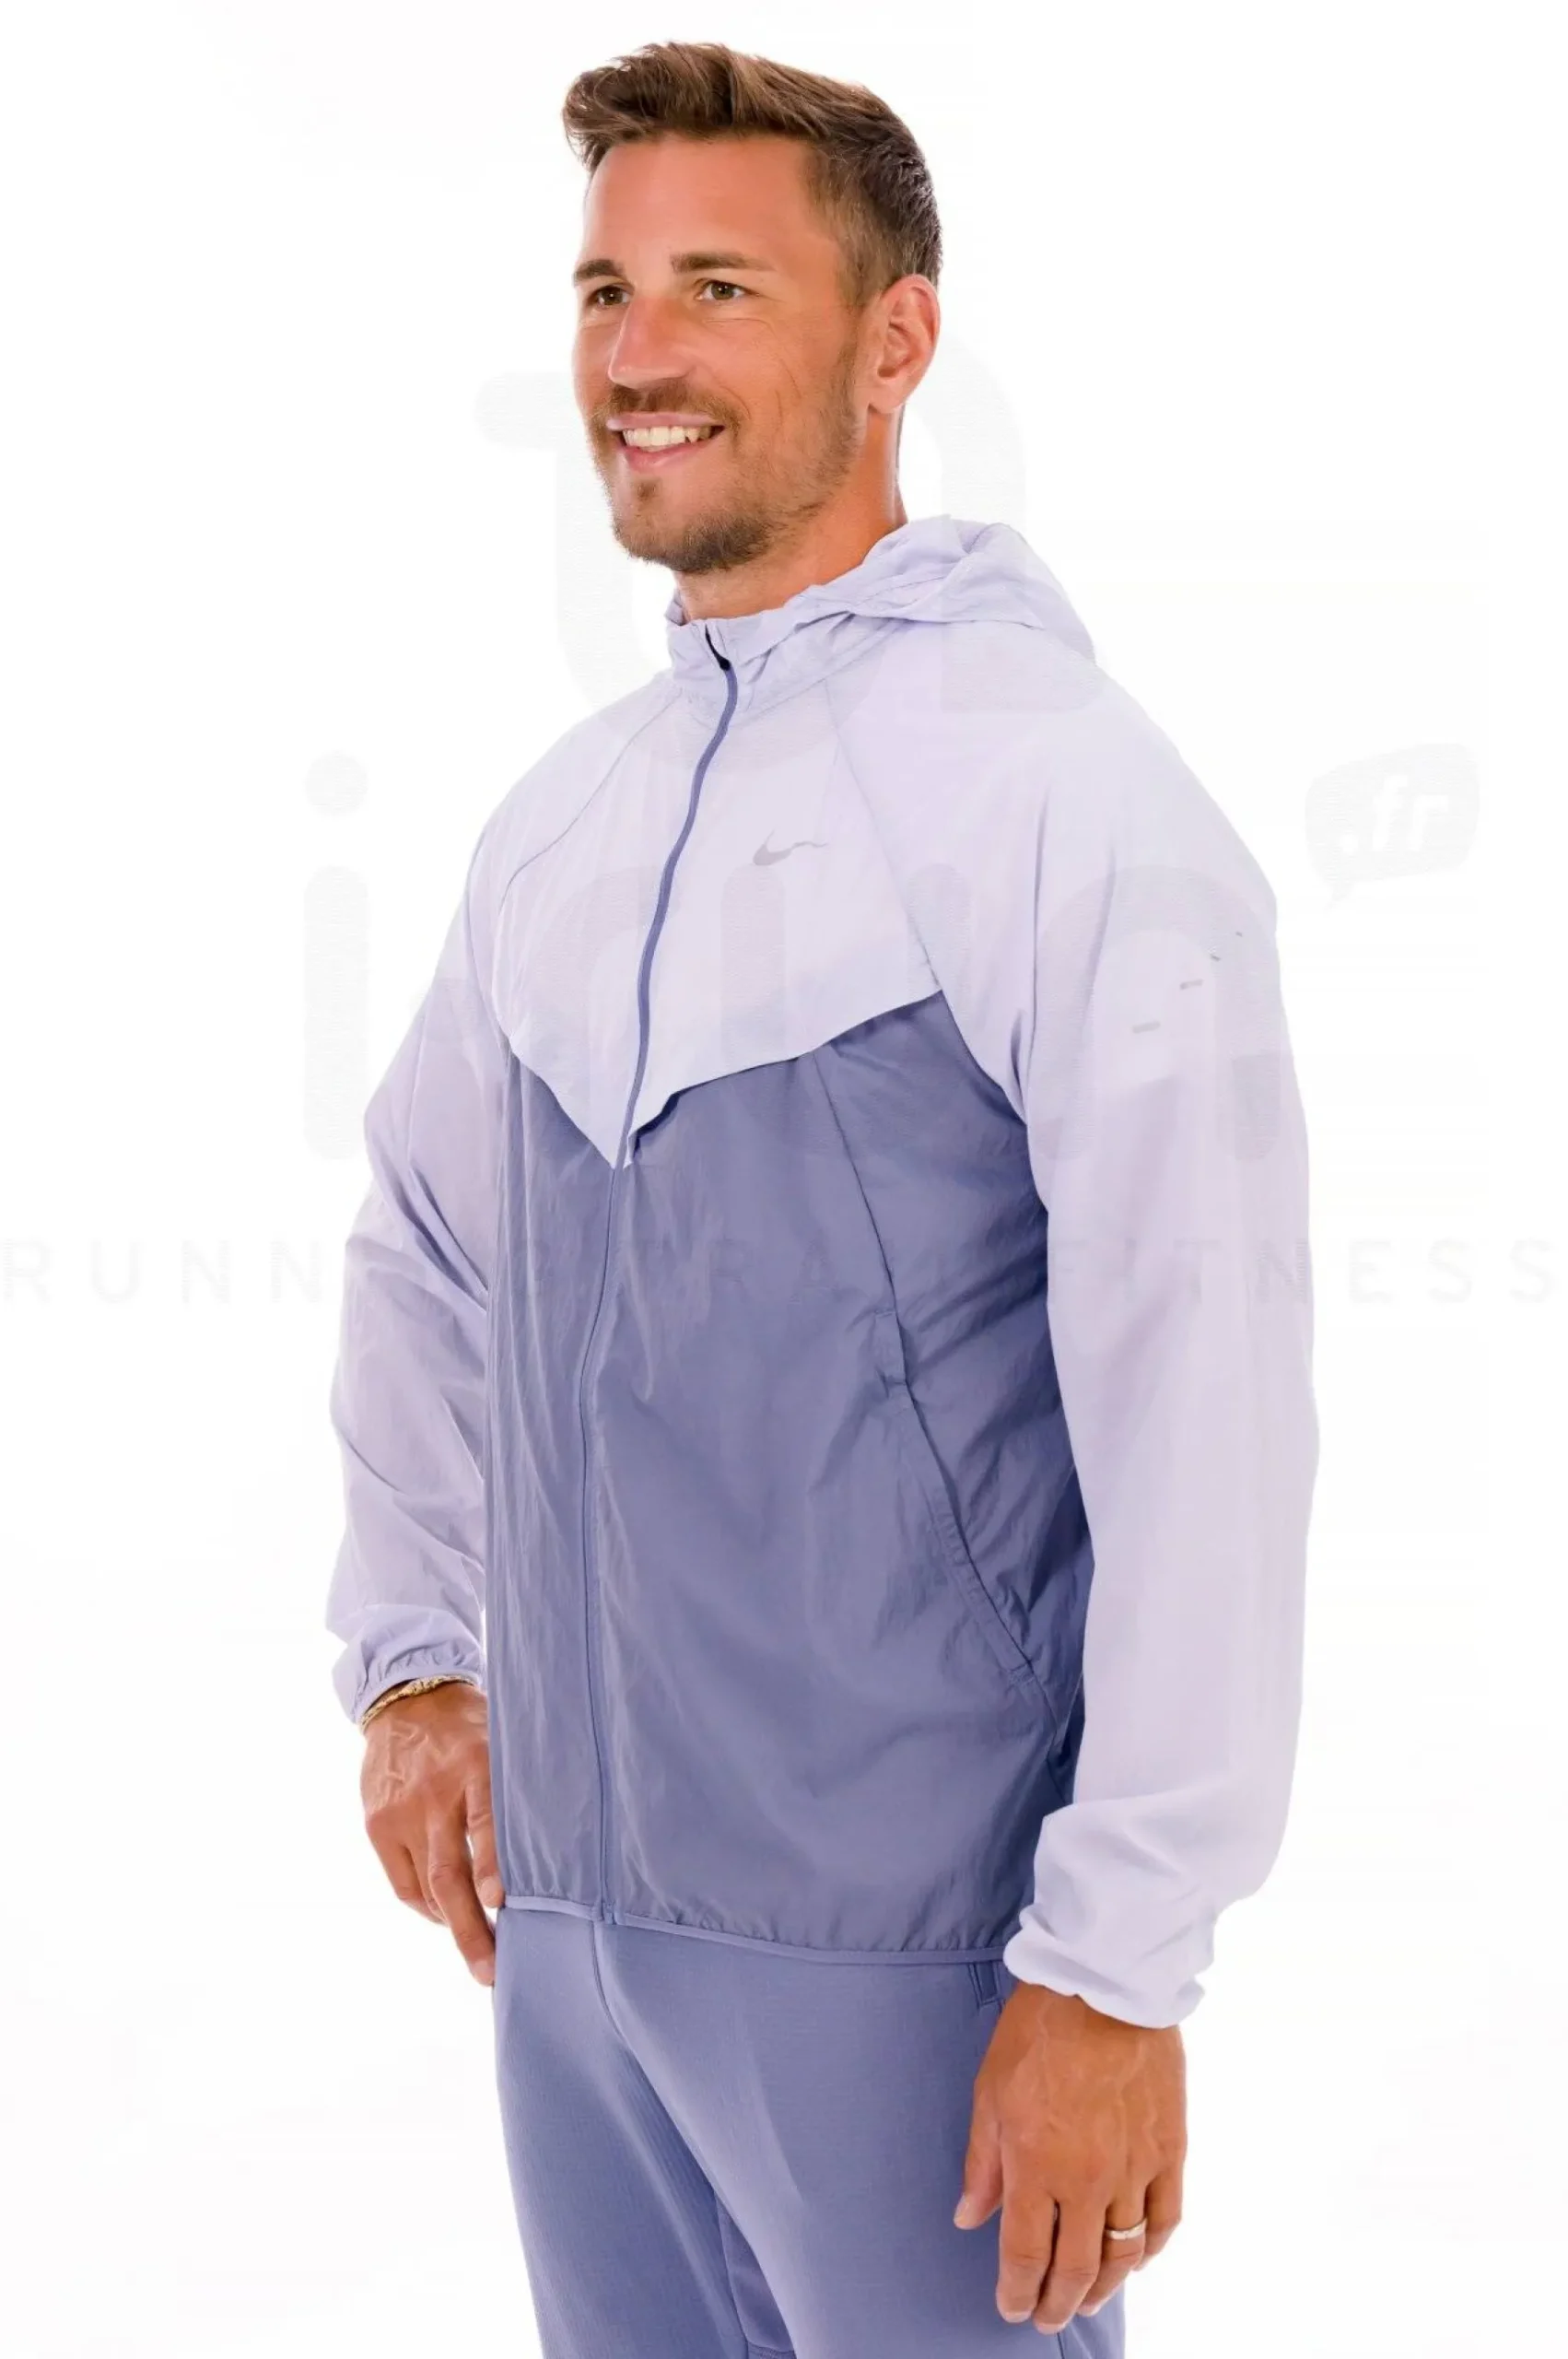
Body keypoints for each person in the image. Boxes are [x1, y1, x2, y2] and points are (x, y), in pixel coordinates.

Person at [323, 39, 1318, 2359]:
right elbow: (421, 1247)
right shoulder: (565, 820)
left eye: (717, 287)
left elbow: (1205, 1398)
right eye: (604, 291)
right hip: (575, 1954)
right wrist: (419, 1660)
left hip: (915, 1961)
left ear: (895, 338)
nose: (636, 355)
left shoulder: (1061, 794)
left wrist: (1115, 1965)